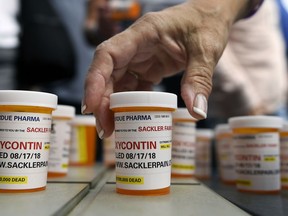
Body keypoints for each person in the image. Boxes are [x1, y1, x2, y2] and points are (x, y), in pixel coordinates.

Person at [82, 0, 264, 139]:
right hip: (157, 68)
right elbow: (92, 27)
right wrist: (99, 26)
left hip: (246, 94)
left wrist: (245, 101)